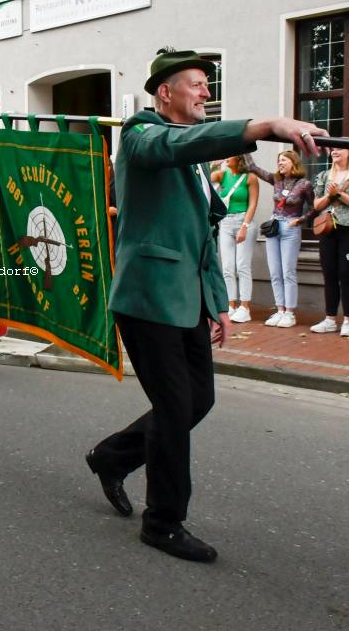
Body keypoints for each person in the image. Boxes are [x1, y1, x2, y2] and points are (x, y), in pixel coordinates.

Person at [84, 48, 323, 563]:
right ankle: (163, 522)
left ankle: (112, 456)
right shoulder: (140, 133)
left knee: (198, 401)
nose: (206, 93)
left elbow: (202, 237)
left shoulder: (193, 160)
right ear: (164, 92)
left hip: (190, 299)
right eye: (196, 83)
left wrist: (218, 303)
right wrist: (266, 126)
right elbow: (176, 144)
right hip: (147, 298)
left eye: (207, 85)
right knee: (175, 408)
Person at [245, 149, 314, 327]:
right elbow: (252, 167)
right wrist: (244, 145)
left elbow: (314, 208)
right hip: (274, 227)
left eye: (283, 160)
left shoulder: (304, 184)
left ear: (293, 162)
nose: (280, 163)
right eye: (279, 160)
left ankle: (290, 313)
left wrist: (300, 220)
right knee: (275, 272)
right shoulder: (276, 180)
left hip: (290, 228)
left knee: (288, 272)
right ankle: (280, 310)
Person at [310, 146, 349, 337]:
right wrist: (329, 195)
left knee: (346, 274)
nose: (334, 152)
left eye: (339, 149)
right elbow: (317, 205)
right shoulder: (323, 175)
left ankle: (348, 321)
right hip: (328, 229)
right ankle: (330, 319)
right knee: (329, 274)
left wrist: (340, 194)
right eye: (333, 149)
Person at [210, 155, 259, 322]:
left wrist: (244, 226)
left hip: (244, 221)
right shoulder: (222, 175)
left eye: (230, 155)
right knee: (227, 267)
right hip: (225, 223)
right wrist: (214, 164)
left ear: (239, 158)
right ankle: (231, 305)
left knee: (242, 266)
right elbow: (205, 179)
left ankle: (245, 307)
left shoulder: (250, 178)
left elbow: (253, 204)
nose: (226, 158)